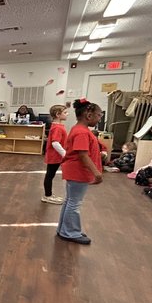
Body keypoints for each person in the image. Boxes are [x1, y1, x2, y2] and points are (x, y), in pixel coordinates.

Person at [56, 98, 103, 245]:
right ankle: (70, 232)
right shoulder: (82, 132)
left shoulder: (79, 130)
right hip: (78, 172)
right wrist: (97, 172)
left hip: (75, 171)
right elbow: (83, 155)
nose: (99, 118)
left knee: (70, 201)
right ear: (88, 116)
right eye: (98, 115)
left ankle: (64, 229)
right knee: (74, 203)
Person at [42, 104, 68, 204]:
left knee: (50, 175)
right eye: (65, 112)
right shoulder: (57, 127)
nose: (67, 114)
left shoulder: (58, 126)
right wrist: (64, 154)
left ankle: (48, 195)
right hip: (54, 156)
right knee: (50, 175)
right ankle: (47, 196)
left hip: (56, 156)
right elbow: (55, 143)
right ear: (58, 114)